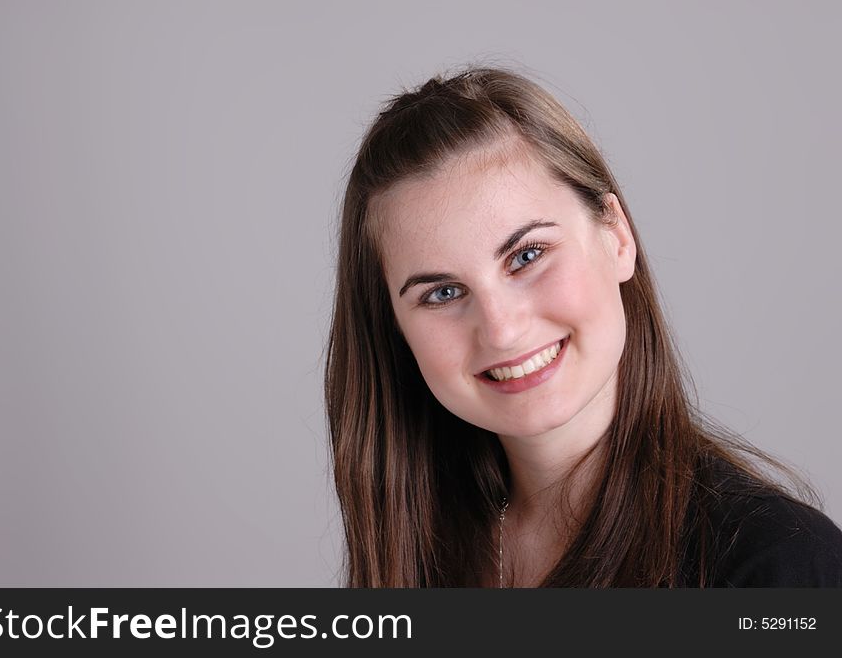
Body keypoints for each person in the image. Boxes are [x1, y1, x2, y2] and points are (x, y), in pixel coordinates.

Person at [324, 66, 842, 587]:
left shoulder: (778, 567)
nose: (501, 330)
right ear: (392, 328)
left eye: (528, 255)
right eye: (443, 292)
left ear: (616, 237)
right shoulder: (417, 546)